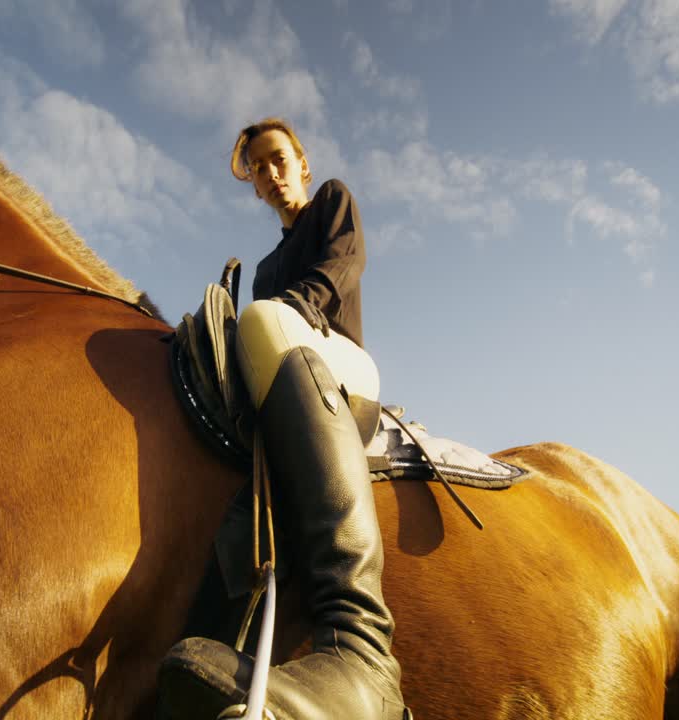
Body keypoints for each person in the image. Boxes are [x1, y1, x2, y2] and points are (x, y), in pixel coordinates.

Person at [159, 118, 406, 720]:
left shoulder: (332, 203)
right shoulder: (265, 271)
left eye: (276, 161)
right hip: (281, 377)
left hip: (343, 373)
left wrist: (293, 306)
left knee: (263, 322)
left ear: (302, 163)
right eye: (258, 170)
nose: (269, 175)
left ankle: (363, 649)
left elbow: (344, 265)